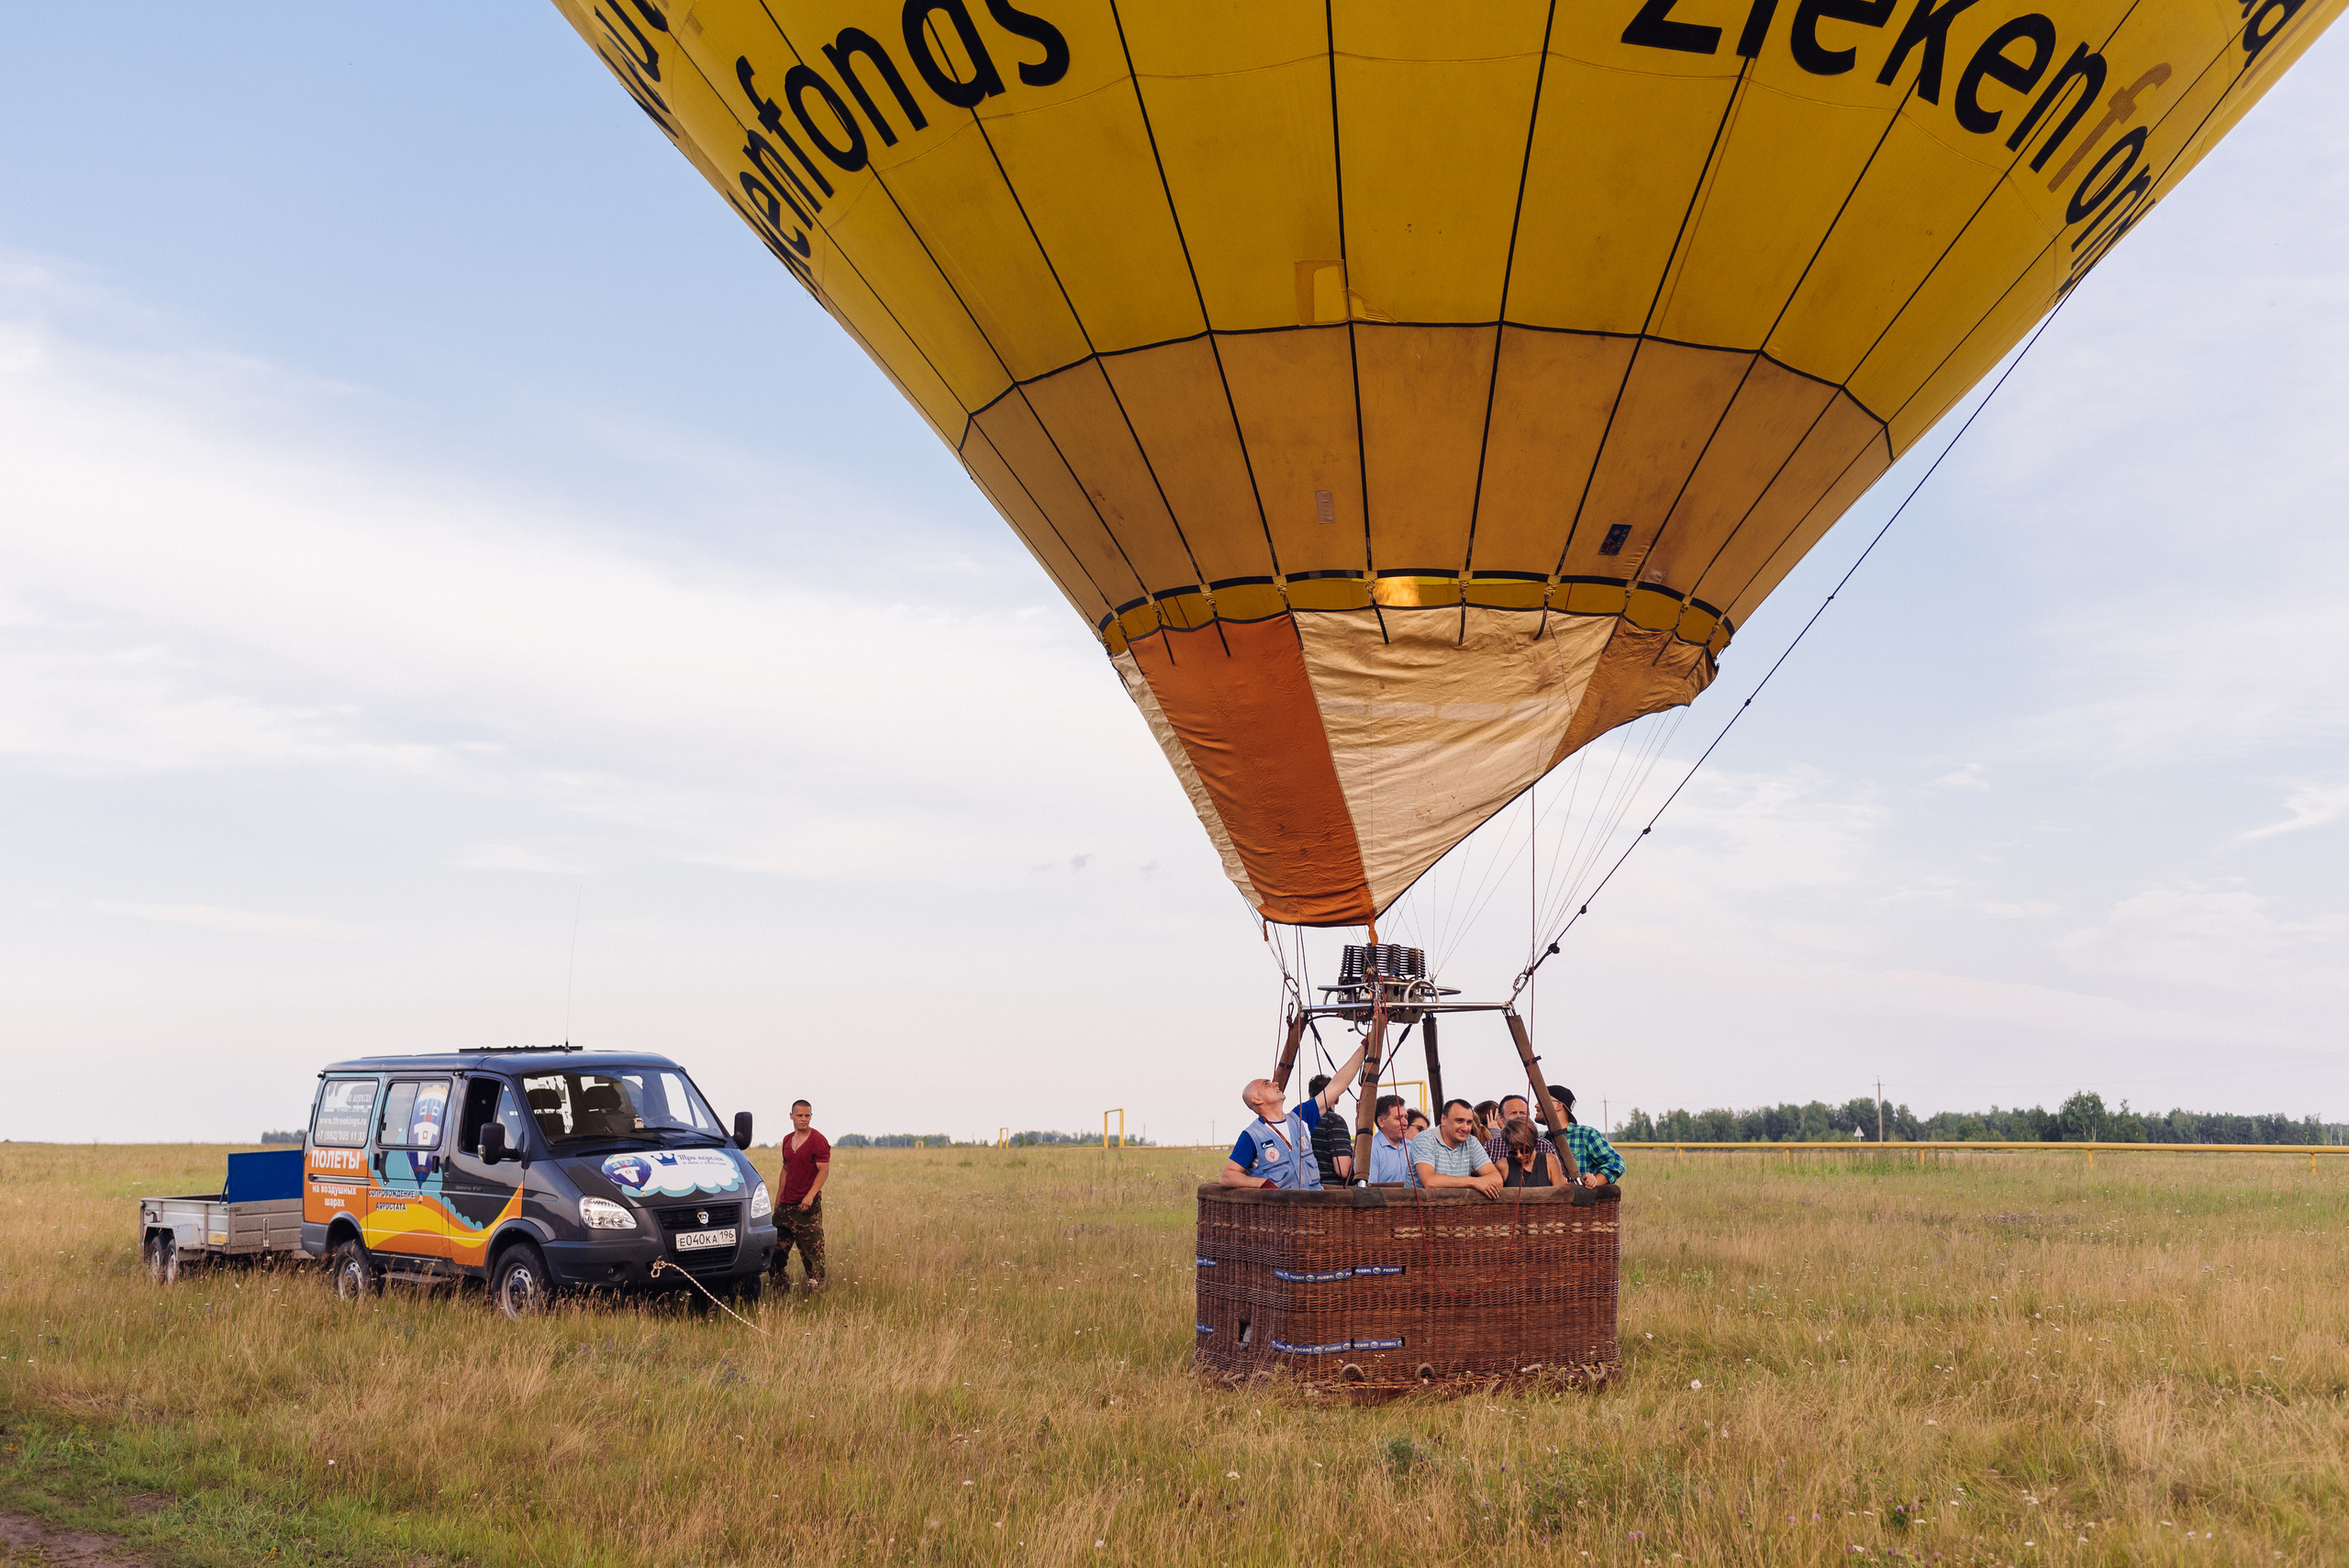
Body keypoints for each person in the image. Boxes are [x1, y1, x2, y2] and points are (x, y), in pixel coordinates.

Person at [1219, 1039, 1369, 1189]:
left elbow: (1337, 1085)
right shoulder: (1253, 1136)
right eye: (1267, 1084)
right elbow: (1227, 1176)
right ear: (1256, 1099)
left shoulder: (1301, 1117)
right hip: (1283, 1211)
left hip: (1314, 1206)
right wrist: (1262, 1184)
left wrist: (1364, 1048)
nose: (1275, 1083)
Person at [772, 1099, 830, 1294]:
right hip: (785, 1208)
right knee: (774, 1254)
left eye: (807, 1115)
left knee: (813, 1257)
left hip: (807, 1209)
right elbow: (785, 1169)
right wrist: (778, 1199)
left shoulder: (818, 1140)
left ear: (811, 1116)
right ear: (791, 1116)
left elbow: (823, 1171)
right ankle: (781, 1291)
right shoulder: (787, 1140)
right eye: (799, 1115)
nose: (803, 1119)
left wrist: (810, 1196)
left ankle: (816, 1296)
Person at [1410, 1098, 1502, 1199]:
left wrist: (1474, 1182)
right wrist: (1473, 1182)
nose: (1465, 1128)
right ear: (1444, 1120)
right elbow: (1429, 1181)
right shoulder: (1424, 1139)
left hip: (1456, 1209)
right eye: (1459, 1121)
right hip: (1422, 1210)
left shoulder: (1471, 1142)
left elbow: (1497, 1179)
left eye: (1469, 1122)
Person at [1545, 1085, 1623, 1188]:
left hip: (1579, 1203)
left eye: (1543, 1100)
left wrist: (1593, 1182)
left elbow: (1616, 1162)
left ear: (1558, 1106)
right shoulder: (1542, 1141)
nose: (1537, 1105)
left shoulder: (1585, 1134)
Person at [1306, 1073, 1354, 1185]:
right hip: (1332, 1192)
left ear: (1310, 1097)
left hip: (1305, 1188)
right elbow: (1343, 1170)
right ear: (1336, 1098)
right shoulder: (1334, 1122)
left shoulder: (1299, 1120)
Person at [1363, 1094, 1419, 1185]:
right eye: (1398, 1118)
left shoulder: (1413, 1147)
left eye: (1406, 1117)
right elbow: (1369, 1191)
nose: (1405, 1123)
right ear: (1381, 1122)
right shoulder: (1369, 1150)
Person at [1497, 1116, 1565, 1187]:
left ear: (1533, 1144)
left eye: (1524, 1151)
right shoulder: (1502, 1166)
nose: (1519, 1155)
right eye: (1513, 1152)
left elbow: (1560, 1195)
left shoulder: (1551, 1161)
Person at [1484, 1094, 1532, 1166]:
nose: (1519, 1117)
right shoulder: (1490, 1146)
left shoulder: (1544, 1145)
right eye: (1513, 1113)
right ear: (1501, 1118)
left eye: (1523, 1113)